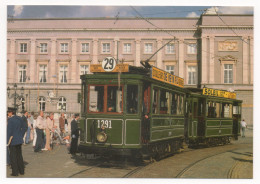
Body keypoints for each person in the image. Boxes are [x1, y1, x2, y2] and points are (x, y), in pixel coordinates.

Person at [7, 107, 27, 176]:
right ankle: (21, 171)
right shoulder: (20, 119)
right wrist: (21, 135)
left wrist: (6, 141)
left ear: (10, 112)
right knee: (19, 155)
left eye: (8, 113)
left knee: (13, 157)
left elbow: (9, 132)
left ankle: (15, 172)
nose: (7, 114)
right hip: (19, 139)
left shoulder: (10, 120)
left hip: (12, 140)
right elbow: (25, 127)